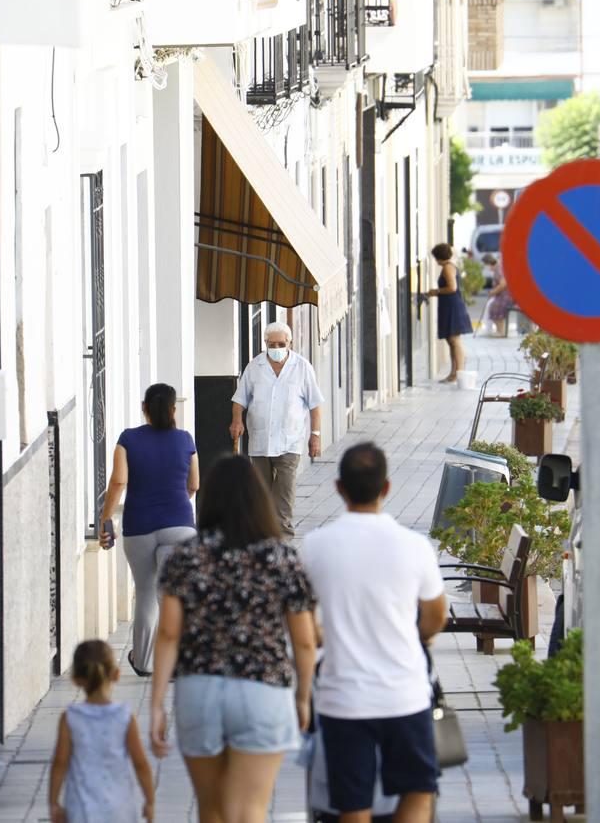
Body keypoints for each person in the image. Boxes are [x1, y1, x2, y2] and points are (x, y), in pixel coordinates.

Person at [150, 455, 318, 823]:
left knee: (211, 811)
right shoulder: (281, 558)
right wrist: (304, 696)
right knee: (249, 812)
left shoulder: (186, 557)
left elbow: (168, 633)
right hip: (263, 689)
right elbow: (305, 641)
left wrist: (157, 703)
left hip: (200, 689)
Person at [300, 443, 448, 823]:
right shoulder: (414, 546)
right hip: (405, 694)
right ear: (386, 487)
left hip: (342, 698)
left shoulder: (314, 547)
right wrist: (415, 638)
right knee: (419, 789)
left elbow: (303, 623)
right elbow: (436, 615)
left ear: (338, 488)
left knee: (352, 802)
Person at [99, 383, 199, 676]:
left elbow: (118, 482)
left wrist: (107, 520)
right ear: (173, 410)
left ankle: (142, 662)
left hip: (139, 526)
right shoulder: (185, 440)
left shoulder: (128, 439)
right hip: (179, 525)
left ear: (144, 408)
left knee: (145, 592)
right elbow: (194, 484)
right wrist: (176, 505)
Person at [229, 321, 324, 536]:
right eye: (272, 344)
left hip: (290, 441)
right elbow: (239, 400)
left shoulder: (302, 367)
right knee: (261, 491)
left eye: (281, 344)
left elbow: (315, 405)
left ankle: (282, 536)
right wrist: (237, 420)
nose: (277, 348)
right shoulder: (255, 367)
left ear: (290, 343)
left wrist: (315, 435)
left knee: (284, 492)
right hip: (260, 441)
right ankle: (264, 532)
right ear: (265, 343)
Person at [49, 640, 154, 823]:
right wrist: (150, 801)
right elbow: (141, 763)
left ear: (75, 679)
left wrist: (53, 803)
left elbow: (60, 763)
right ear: (116, 674)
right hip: (119, 809)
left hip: (81, 809)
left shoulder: (70, 718)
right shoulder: (125, 717)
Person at [426, 243, 471, 383]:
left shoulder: (447, 268)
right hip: (449, 306)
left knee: (454, 340)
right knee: (451, 341)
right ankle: (454, 372)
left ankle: (459, 372)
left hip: (452, 306)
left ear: (438, 257)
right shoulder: (449, 266)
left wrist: (437, 291)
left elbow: (452, 287)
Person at [482, 254, 515, 337]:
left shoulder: (498, 269)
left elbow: (503, 284)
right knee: (492, 305)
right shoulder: (498, 268)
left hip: (506, 296)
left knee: (494, 306)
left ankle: (501, 331)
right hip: (502, 295)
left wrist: (493, 292)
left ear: (489, 263)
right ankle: (499, 330)